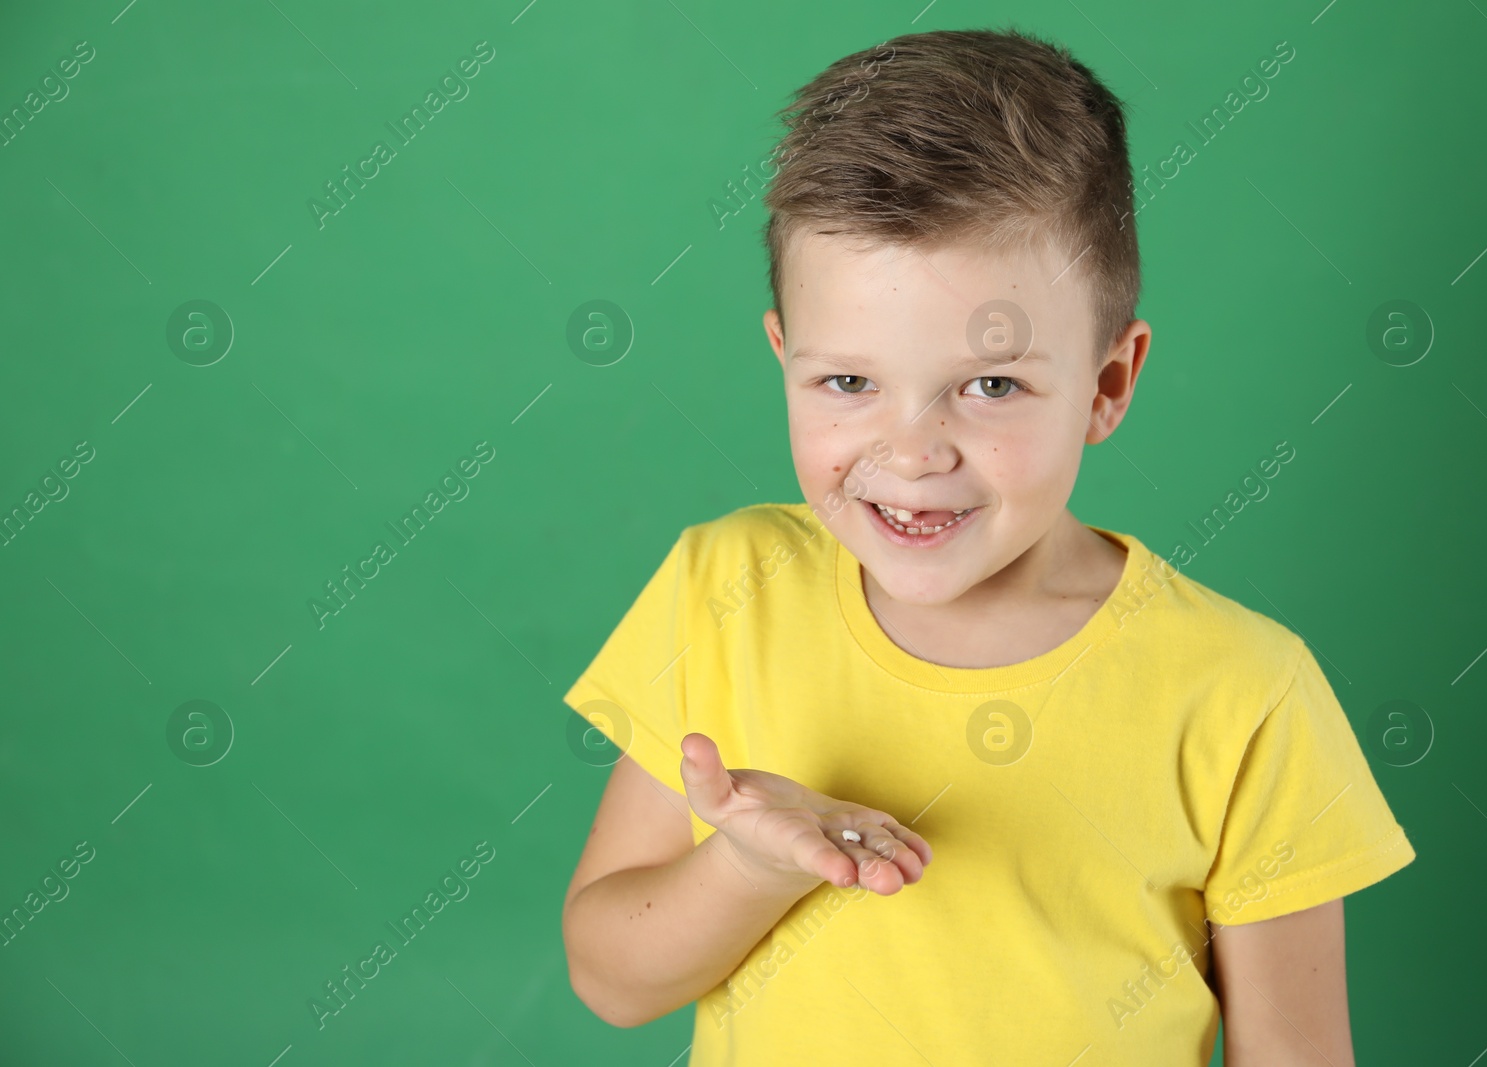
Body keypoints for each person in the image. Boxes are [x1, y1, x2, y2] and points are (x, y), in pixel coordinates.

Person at [560, 26, 1414, 1066]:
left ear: (1107, 383)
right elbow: (609, 977)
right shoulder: (725, 588)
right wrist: (746, 865)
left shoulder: (1246, 692)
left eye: (991, 384)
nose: (912, 454)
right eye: (848, 382)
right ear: (784, 356)